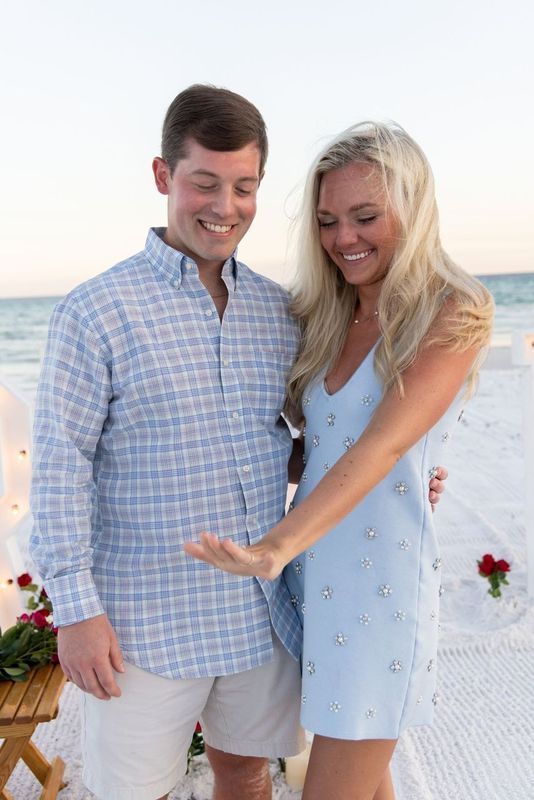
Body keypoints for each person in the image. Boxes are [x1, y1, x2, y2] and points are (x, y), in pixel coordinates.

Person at [30, 86, 446, 800]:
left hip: (259, 614)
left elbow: (297, 441)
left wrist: (404, 471)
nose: (225, 206)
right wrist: (76, 610)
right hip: (142, 623)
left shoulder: (279, 311)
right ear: (163, 176)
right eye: (205, 183)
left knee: (248, 773)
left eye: (244, 187)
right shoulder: (94, 312)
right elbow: (60, 468)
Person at [184, 121, 493, 800]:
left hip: (381, 595)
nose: (343, 237)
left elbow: (383, 444)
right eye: (327, 221)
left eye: (365, 217)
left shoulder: (452, 309)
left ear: (412, 208)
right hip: (315, 584)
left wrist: (274, 546)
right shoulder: (326, 315)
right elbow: (315, 449)